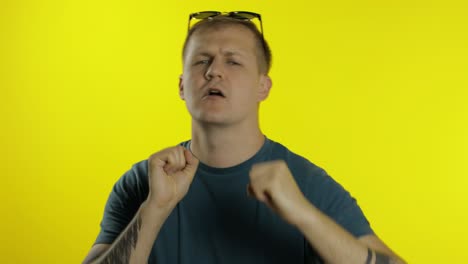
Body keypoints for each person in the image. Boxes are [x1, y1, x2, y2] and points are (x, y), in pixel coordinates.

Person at [83, 11, 406, 264]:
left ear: (263, 87)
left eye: (233, 61)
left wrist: (305, 215)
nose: (214, 72)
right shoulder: (143, 182)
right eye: (201, 61)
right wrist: (153, 210)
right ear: (182, 86)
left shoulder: (305, 183)